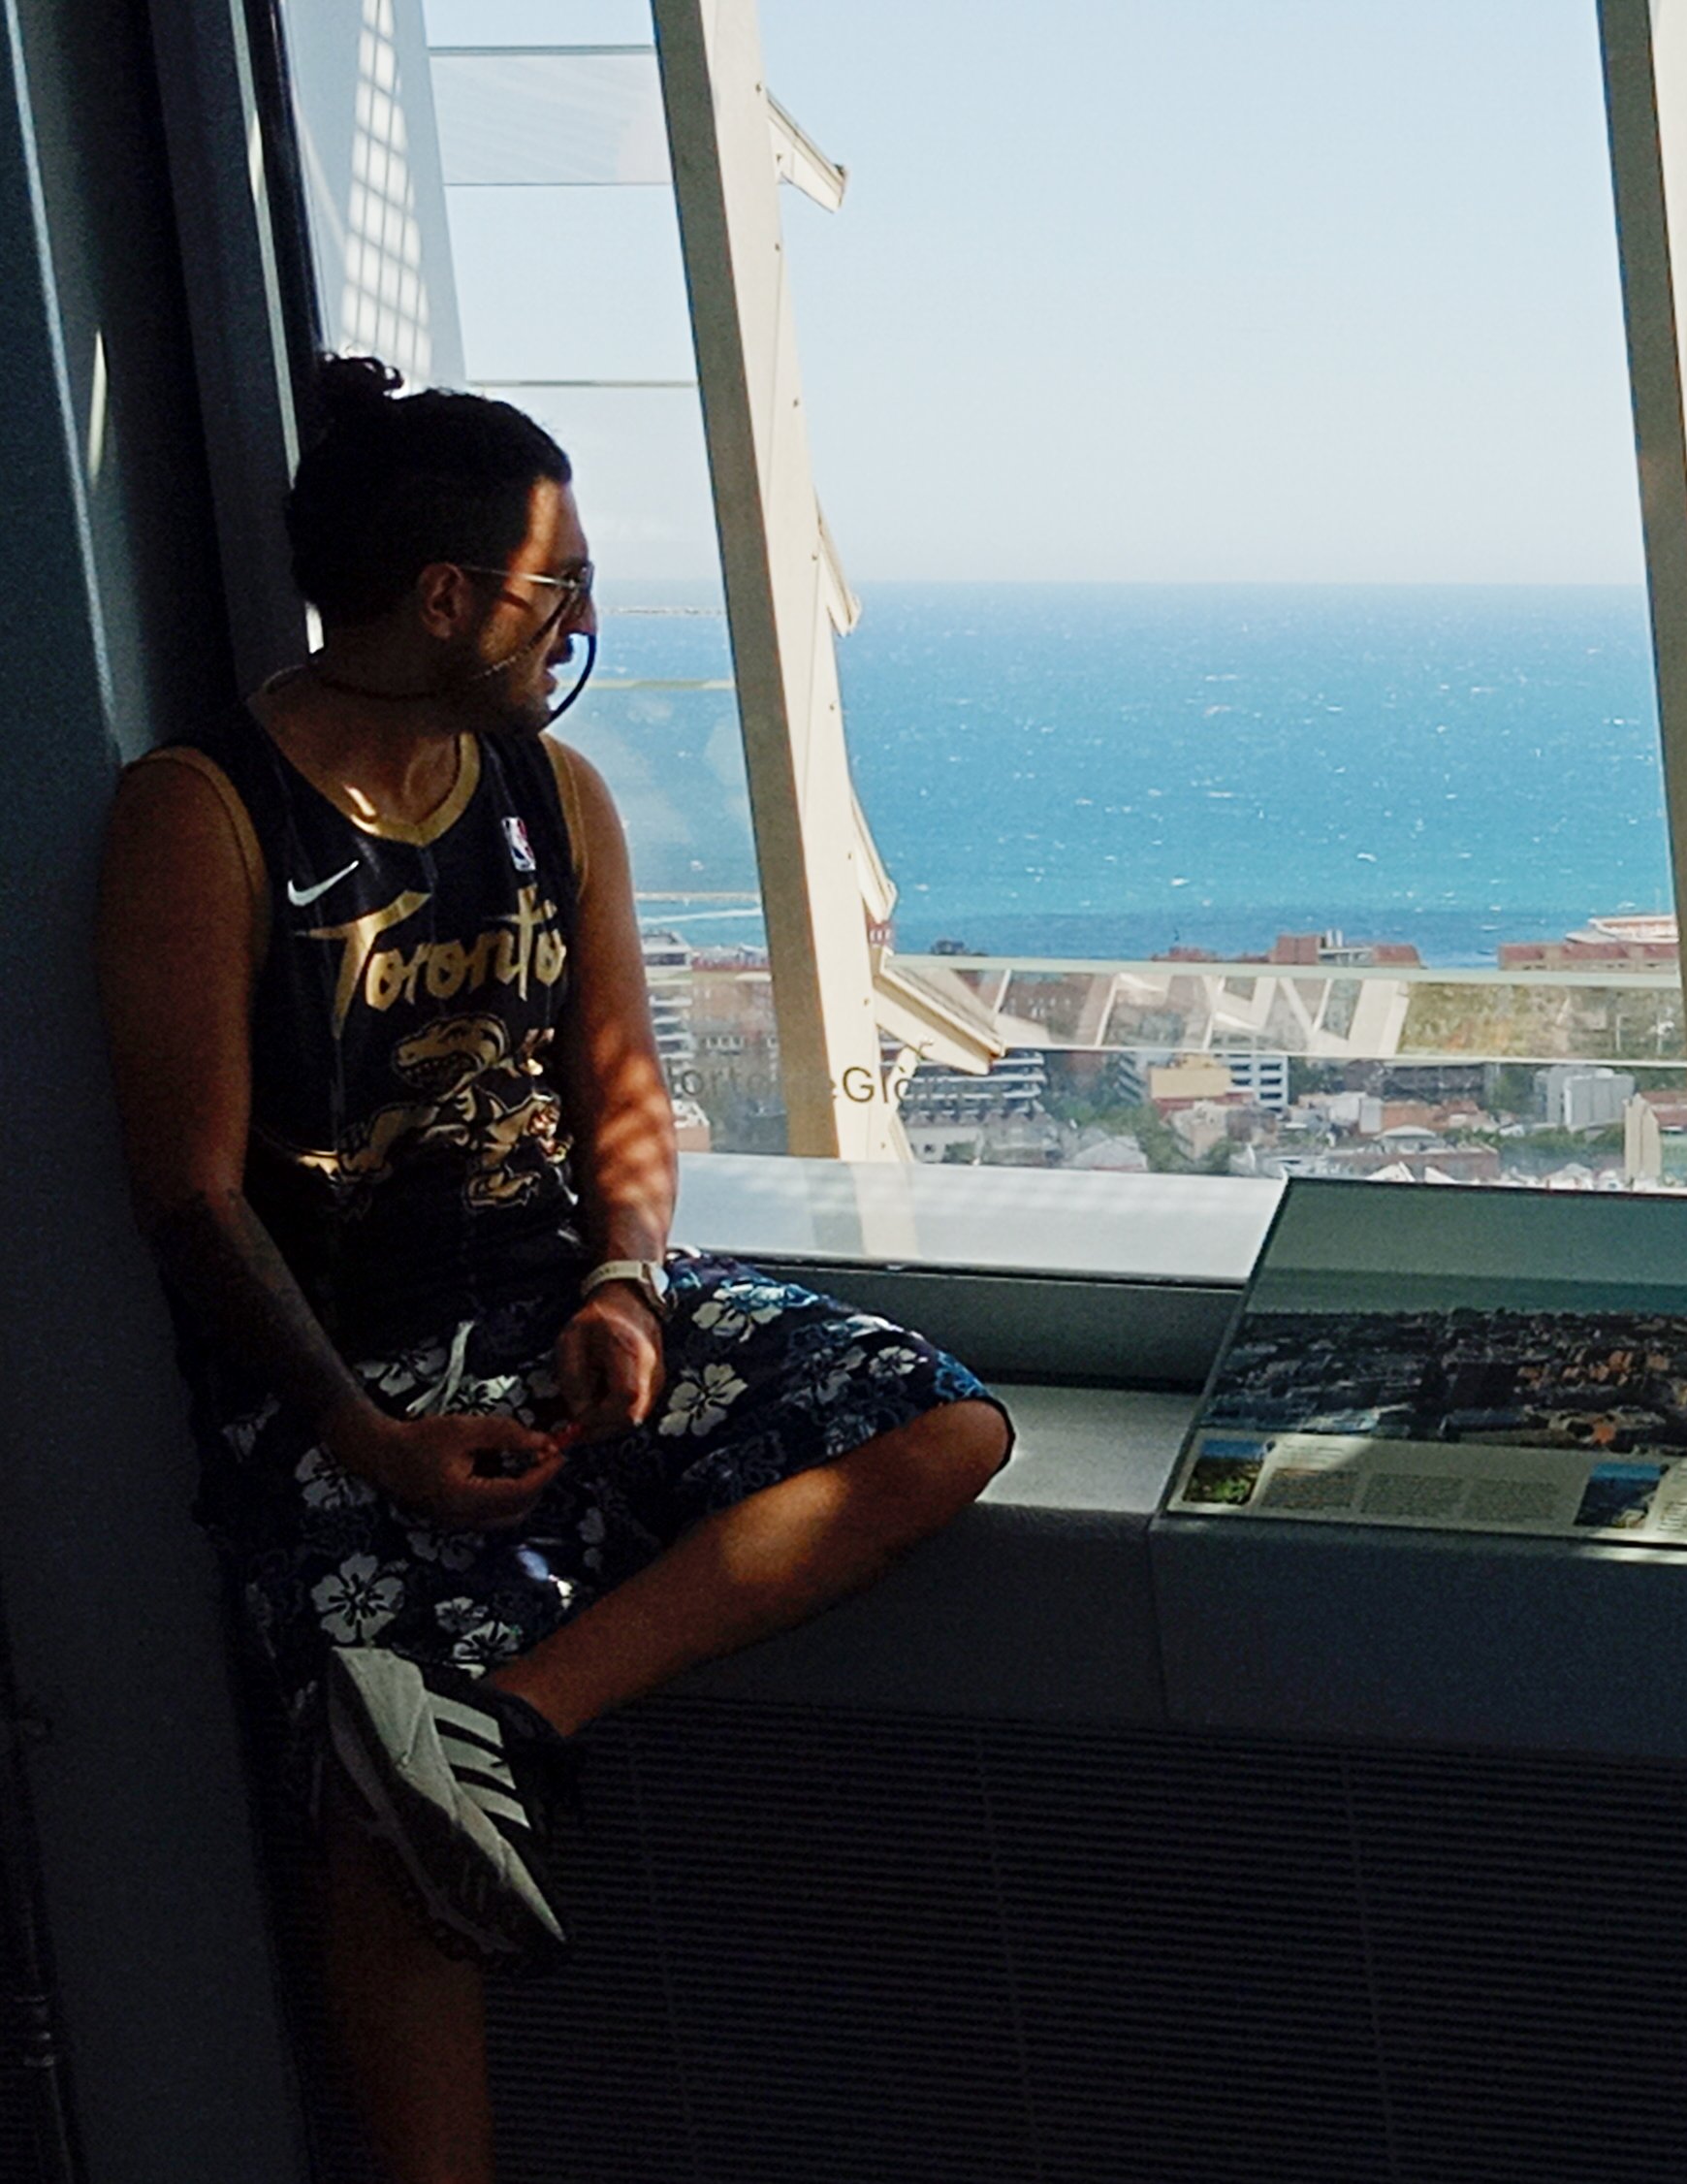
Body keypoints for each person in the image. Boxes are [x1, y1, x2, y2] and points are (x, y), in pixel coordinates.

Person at [94, 355, 1012, 2182]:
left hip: (549, 1311)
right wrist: (362, 1438)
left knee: (942, 1429)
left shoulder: (544, 794)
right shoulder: (203, 820)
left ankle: (504, 1732)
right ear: (445, 597)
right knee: (382, 1827)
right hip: (348, 1377)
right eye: (552, 584)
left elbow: (625, 1099)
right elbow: (192, 1196)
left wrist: (625, 1287)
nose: (573, 620)